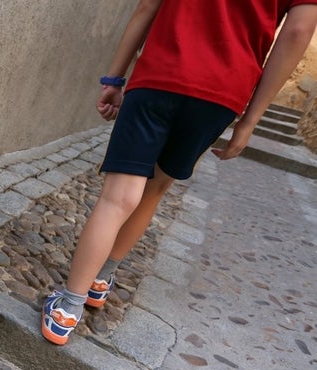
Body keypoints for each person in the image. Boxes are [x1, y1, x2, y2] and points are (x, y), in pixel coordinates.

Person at [42, 0, 317, 346]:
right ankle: (102, 280)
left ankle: (67, 309)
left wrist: (114, 78)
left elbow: (146, 8)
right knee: (155, 190)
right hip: (222, 92)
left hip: (160, 73)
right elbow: (297, 31)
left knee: (118, 197)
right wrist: (249, 121)